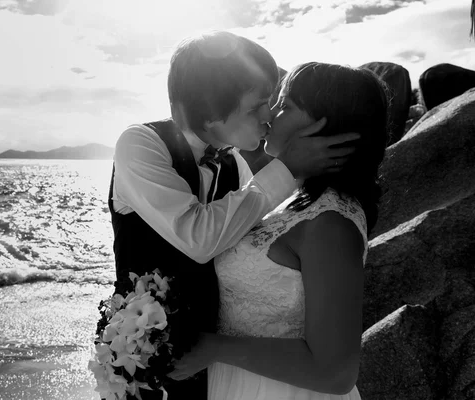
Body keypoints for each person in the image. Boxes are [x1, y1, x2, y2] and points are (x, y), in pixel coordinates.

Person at [109, 31, 359, 400]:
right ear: (211, 112)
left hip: (214, 365)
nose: (269, 116)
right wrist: (287, 167)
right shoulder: (140, 144)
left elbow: (248, 234)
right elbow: (200, 238)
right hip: (148, 359)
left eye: (274, 103)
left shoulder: (234, 162)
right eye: (258, 105)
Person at [167, 62, 390, 400]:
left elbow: (336, 372)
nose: (270, 113)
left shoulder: (331, 223)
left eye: (286, 105)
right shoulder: (294, 202)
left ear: (325, 126)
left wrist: (215, 348)